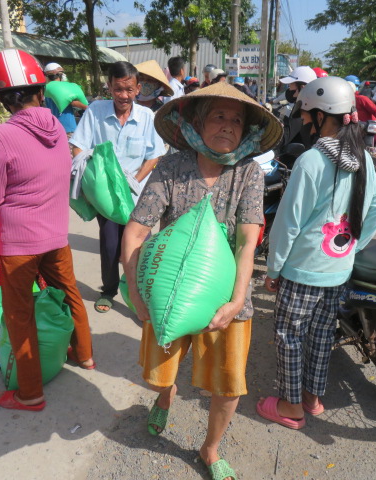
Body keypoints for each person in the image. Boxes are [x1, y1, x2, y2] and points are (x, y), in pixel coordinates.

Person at [120, 82, 283, 480]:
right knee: (161, 372)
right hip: (169, 290)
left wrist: (236, 300)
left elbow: (247, 242)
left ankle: (210, 449)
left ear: (246, 131)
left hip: (227, 295)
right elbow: (136, 231)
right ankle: (165, 397)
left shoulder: (248, 173)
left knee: (228, 384)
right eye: (218, 116)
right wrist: (136, 293)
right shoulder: (171, 168)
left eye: (236, 120)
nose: (228, 125)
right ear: (196, 122)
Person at [258, 76, 376, 430]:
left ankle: (290, 406)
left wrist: (274, 269)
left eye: (306, 114)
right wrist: (353, 246)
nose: (302, 120)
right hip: (337, 271)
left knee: (290, 337)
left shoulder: (312, 161)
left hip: (302, 271)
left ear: (321, 115)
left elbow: (288, 223)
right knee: (321, 336)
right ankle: (312, 398)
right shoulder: (362, 157)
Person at [0, 49, 95, 411]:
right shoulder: (58, 129)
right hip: (56, 235)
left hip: (18, 243)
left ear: (2, 99)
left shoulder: (1, 136)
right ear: (41, 91)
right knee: (70, 292)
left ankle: (29, 394)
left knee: (20, 314)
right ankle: (85, 355)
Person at [70, 61, 166, 313]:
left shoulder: (147, 117)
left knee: (141, 246)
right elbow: (78, 147)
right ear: (109, 87)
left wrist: (133, 181)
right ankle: (109, 290)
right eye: (118, 89)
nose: (124, 95)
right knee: (110, 245)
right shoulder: (96, 111)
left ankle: (143, 293)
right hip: (107, 198)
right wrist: (93, 181)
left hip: (137, 196)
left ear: (138, 89)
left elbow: (154, 155)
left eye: (129, 89)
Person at [43, 62, 88, 138]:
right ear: (58, 75)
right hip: (67, 127)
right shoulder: (61, 89)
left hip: (54, 127)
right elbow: (73, 102)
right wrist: (88, 107)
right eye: (62, 73)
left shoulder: (47, 88)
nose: (64, 75)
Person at [279, 66, 318, 150]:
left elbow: (283, 139)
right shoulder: (305, 106)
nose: (289, 89)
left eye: (290, 85)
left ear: (302, 87)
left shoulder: (304, 110)